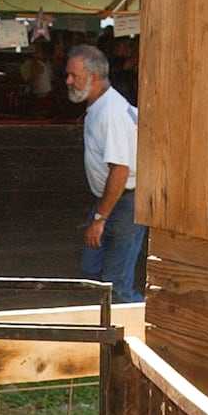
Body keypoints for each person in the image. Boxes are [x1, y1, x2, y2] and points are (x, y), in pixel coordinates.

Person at [64, 43, 146, 304]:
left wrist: (100, 219)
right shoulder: (101, 107)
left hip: (123, 203)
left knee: (117, 285)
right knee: (92, 271)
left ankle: (147, 330)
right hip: (112, 201)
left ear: (95, 77)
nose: (68, 81)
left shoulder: (110, 113)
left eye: (74, 76)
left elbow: (120, 171)